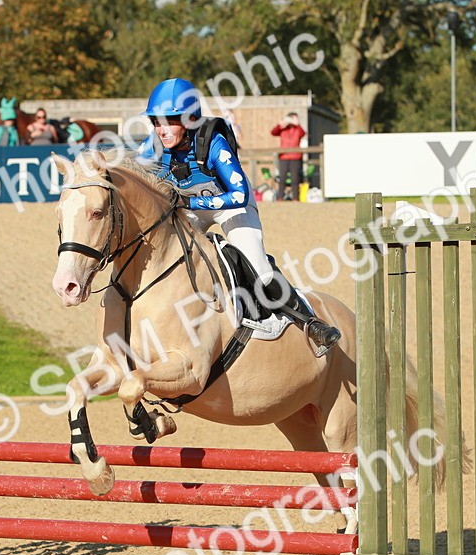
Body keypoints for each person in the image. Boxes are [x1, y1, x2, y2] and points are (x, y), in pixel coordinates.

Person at [136, 78, 342, 354]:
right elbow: (130, 173)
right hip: (191, 209)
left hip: (231, 206)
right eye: (156, 122)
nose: (161, 129)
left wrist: (190, 200)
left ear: (191, 119)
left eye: (169, 121)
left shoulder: (214, 142)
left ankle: (311, 322)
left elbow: (240, 194)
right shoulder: (152, 145)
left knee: (259, 267)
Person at [271, 112, 306, 202]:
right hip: (283, 157)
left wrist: (297, 124)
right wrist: (280, 124)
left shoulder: (297, 129)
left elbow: (302, 133)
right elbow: (273, 132)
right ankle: (280, 197)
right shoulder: (283, 129)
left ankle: (295, 198)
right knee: (282, 178)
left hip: (295, 156)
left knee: (295, 178)